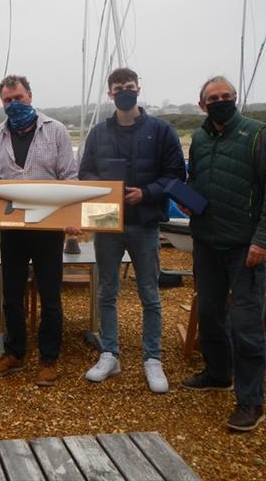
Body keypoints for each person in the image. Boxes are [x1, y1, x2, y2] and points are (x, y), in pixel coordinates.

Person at [181, 76, 266, 432]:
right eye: (214, 97)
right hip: (207, 242)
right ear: (202, 104)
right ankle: (217, 372)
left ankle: (251, 402)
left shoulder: (258, 134)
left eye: (226, 96)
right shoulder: (198, 138)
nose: (221, 101)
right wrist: (190, 203)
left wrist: (262, 241)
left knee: (245, 325)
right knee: (209, 314)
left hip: (246, 248)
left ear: (235, 99)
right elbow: (196, 180)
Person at [79, 68, 186, 393]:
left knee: (149, 294)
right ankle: (110, 353)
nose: (124, 91)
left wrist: (147, 193)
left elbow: (174, 176)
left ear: (138, 88)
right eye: (117, 88)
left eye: (129, 86)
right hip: (106, 220)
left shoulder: (161, 130)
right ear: (110, 94)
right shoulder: (98, 132)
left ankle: (152, 358)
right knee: (107, 291)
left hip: (145, 221)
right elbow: (85, 174)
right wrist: (105, 189)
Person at [0, 75, 79, 386]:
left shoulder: (56, 130)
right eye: (8, 100)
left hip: (49, 227)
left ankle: (49, 359)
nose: (14, 103)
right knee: (12, 294)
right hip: (13, 228)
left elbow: (70, 178)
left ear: (30, 96)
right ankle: (15, 353)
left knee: (50, 295)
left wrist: (72, 218)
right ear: (2, 102)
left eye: (19, 98)